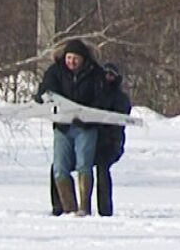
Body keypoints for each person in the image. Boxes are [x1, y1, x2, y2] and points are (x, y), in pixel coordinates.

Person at [34, 39, 103, 216]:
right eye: (69, 57)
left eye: (76, 58)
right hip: (62, 127)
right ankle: (68, 207)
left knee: (83, 165)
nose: (71, 62)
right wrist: (43, 98)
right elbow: (45, 90)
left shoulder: (95, 73)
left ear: (83, 59)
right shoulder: (55, 71)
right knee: (60, 167)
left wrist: (87, 115)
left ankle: (83, 208)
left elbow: (101, 98)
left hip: (86, 127)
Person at [93, 62, 131, 216]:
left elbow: (119, 122)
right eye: (106, 74)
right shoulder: (94, 94)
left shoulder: (120, 98)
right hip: (93, 140)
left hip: (111, 143)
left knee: (103, 169)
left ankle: (105, 211)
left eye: (111, 75)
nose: (108, 77)